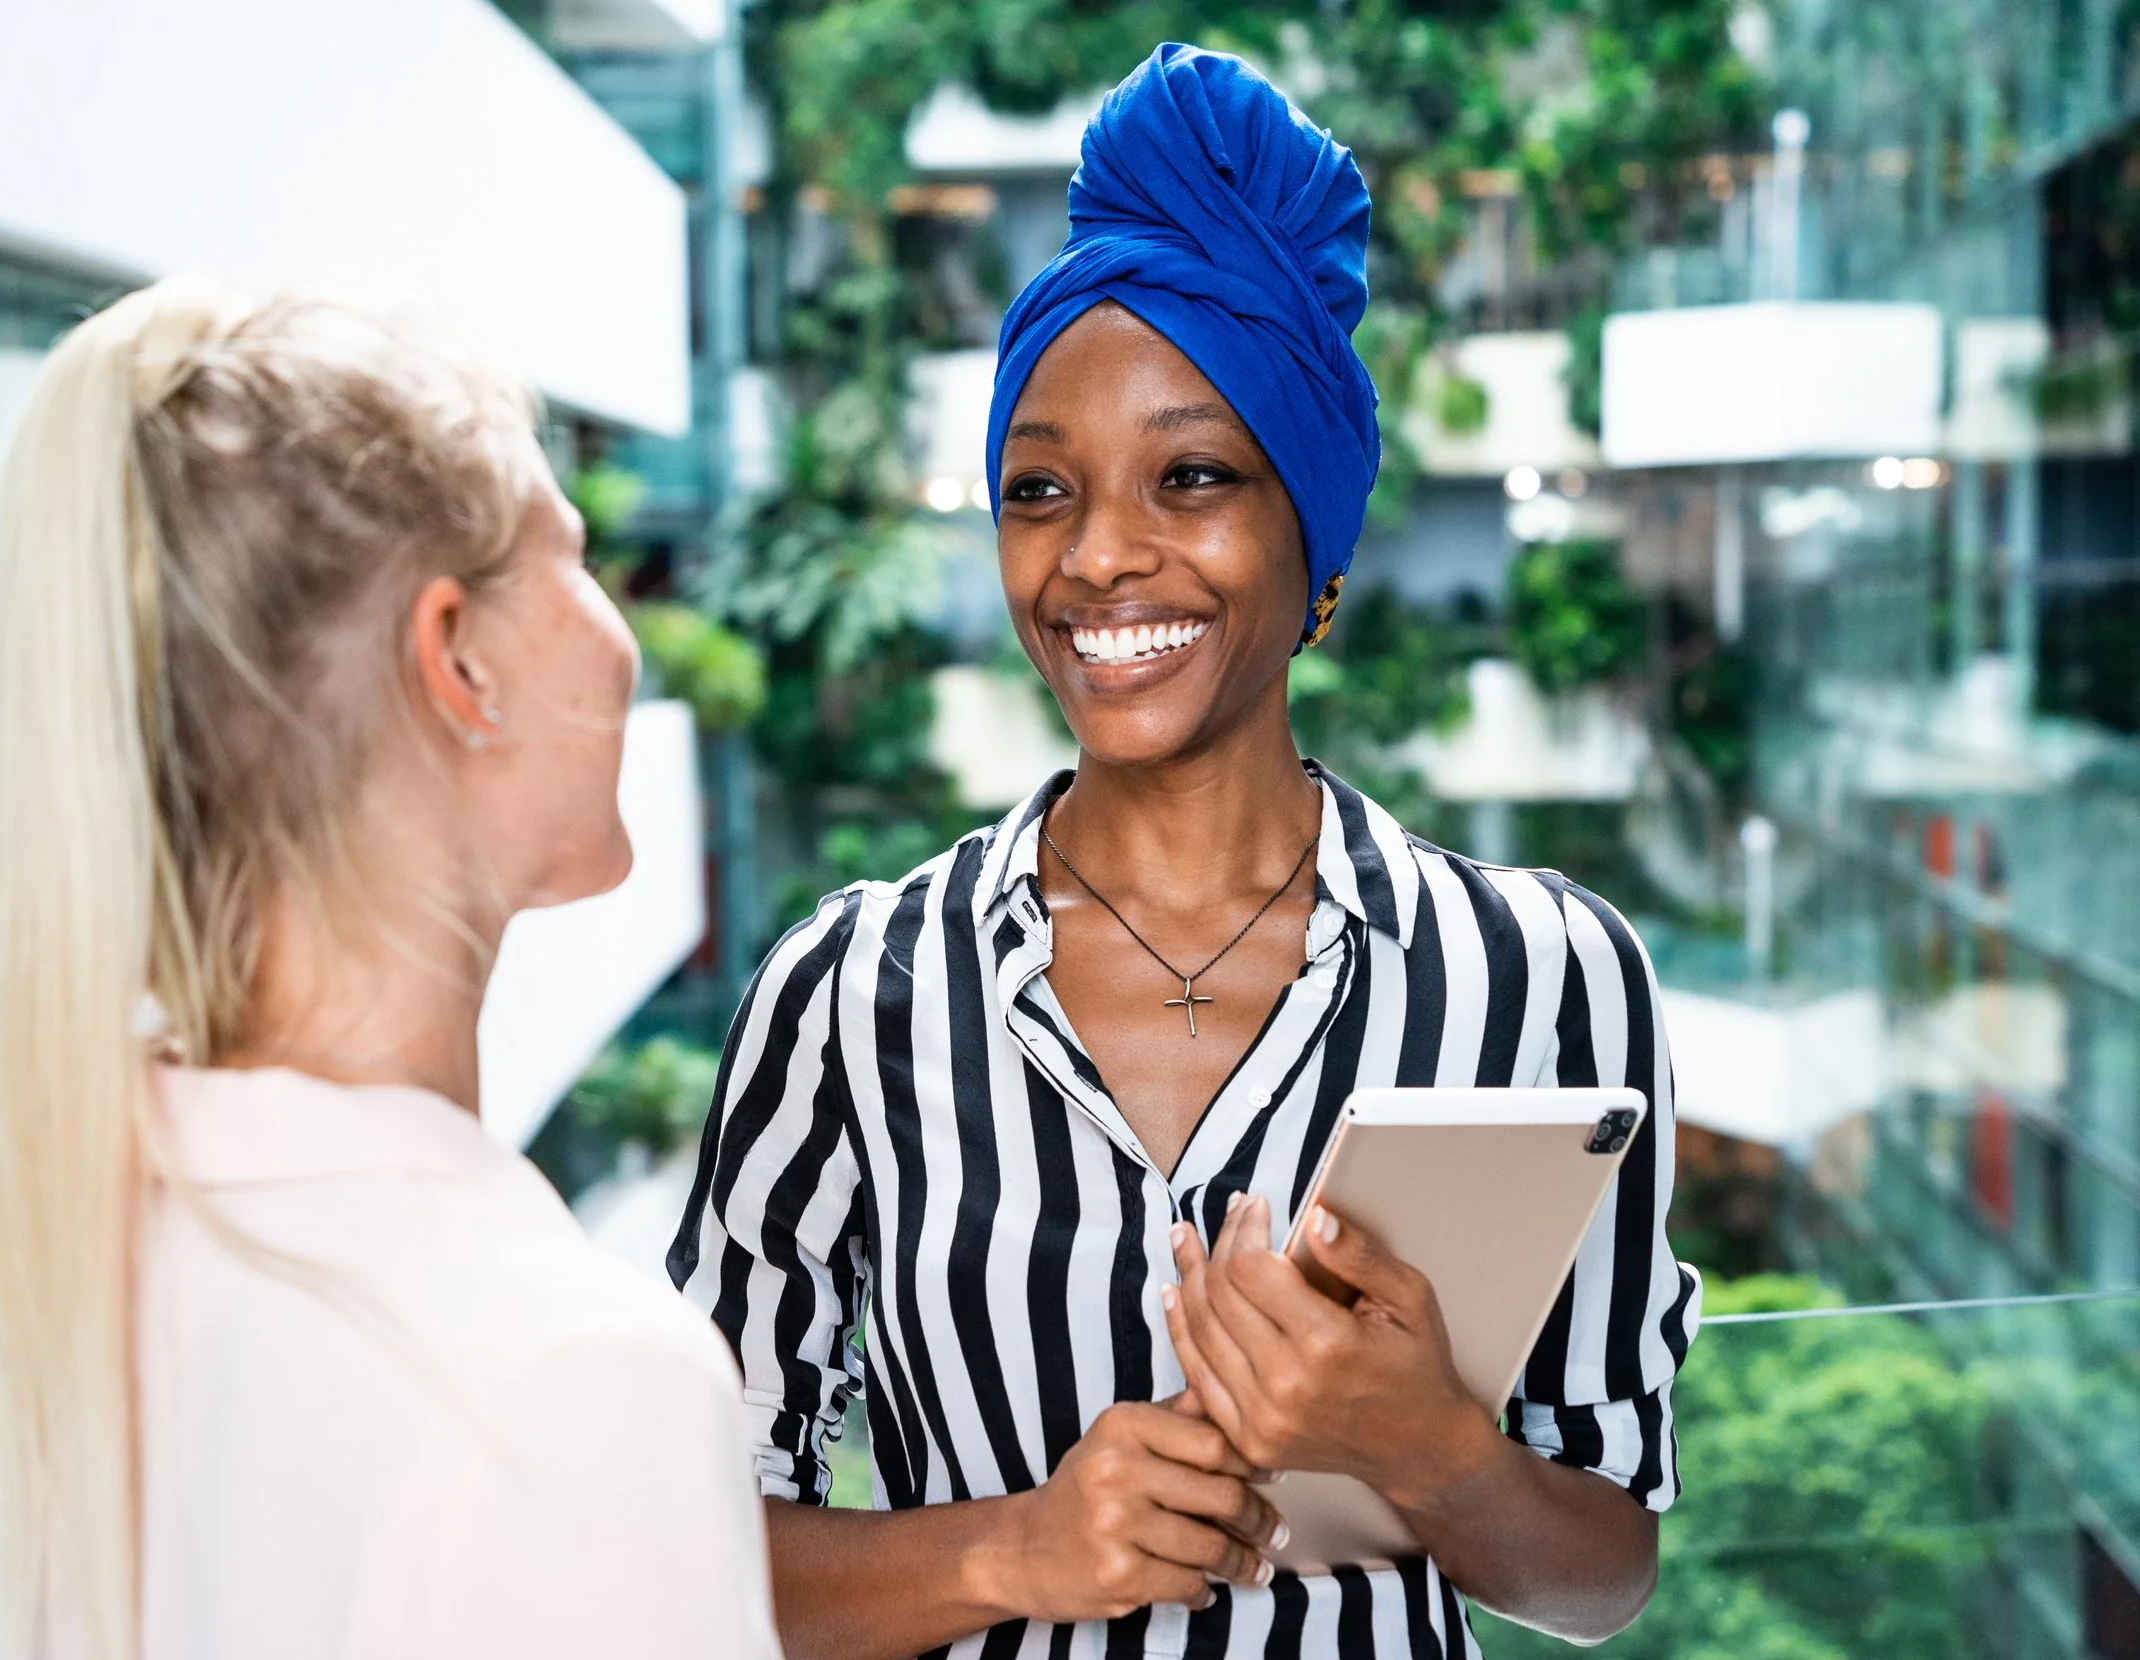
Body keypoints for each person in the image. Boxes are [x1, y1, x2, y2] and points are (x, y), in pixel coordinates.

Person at [668, 44, 1699, 1660]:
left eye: (1194, 476)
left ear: (1318, 542)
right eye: (1039, 490)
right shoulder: (849, 995)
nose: (1096, 558)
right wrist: (1014, 1548)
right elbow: (684, 1556)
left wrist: (1423, 1445)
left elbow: (1604, 1571)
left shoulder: (1545, 979)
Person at [0, 278, 780, 1660]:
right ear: (460, 661)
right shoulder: (575, 1379)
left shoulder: (20, 1337)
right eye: (578, 558)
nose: (624, 638)